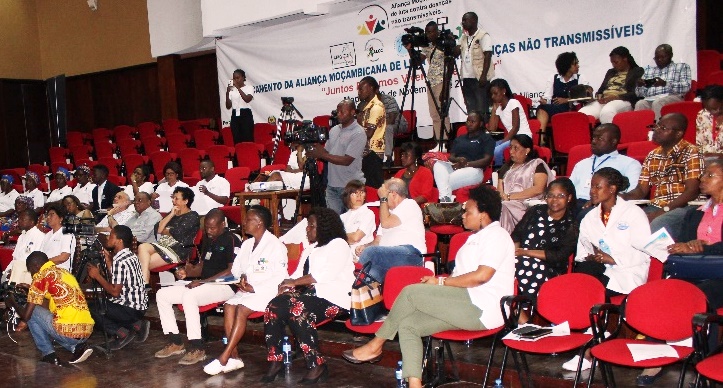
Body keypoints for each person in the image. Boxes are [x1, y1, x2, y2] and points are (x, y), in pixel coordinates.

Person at [342, 185, 515, 388]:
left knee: (409, 293)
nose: (462, 215)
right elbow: (459, 275)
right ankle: (415, 384)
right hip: (463, 303)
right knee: (409, 325)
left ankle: (376, 344)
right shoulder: (473, 239)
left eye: (468, 211)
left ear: (484, 214)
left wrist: (440, 282)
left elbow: (481, 276)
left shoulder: (498, 236)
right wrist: (439, 288)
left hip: (484, 307)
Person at [567, 167, 651, 373]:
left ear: (612, 189)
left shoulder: (633, 213)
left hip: (629, 269)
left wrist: (613, 259)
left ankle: (591, 336)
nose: (592, 191)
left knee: (592, 285)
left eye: (598, 186)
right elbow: (582, 249)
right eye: (592, 186)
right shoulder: (590, 217)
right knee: (585, 271)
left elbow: (644, 251)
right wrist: (592, 255)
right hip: (602, 269)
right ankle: (591, 331)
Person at [261, 207, 354, 384]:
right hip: (310, 295)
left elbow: (325, 276)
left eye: (311, 225)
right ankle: (276, 359)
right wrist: (285, 285)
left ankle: (316, 364)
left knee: (297, 311)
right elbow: (296, 274)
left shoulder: (338, 244)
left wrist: (294, 283)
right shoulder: (310, 249)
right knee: (273, 306)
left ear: (324, 227)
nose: (307, 229)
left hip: (334, 296)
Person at [203, 206, 288, 375]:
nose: (244, 222)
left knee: (241, 310)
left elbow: (280, 277)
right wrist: (242, 277)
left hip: (265, 292)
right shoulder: (247, 244)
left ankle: (224, 357)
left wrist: (254, 287)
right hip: (245, 291)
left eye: (248, 220)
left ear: (259, 223)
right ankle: (235, 358)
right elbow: (236, 270)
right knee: (228, 306)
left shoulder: (276, 246)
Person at [154, 209, 238, 365]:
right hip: (205, 285)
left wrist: (204, 282)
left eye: (213, 228)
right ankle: (176, 342)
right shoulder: (206, 238)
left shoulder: (232, 239)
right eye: (207, 227)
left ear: (223, 224)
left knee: (189, 296)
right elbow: (202, 265)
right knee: (162, 294)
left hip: (225, 286)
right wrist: (187, 272)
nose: (209, 231)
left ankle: (197, 347)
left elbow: (231, 270)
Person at [623, 113, 705, 241]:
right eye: (657, 126)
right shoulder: (652, 155)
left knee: (657, 225)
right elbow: (641, 190)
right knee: (622, 223)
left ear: (678, 134)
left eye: (663, 128)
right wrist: (622, 196)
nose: (657, 130)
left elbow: (692, 191)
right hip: (657, 206)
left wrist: (662, 211)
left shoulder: (691, 152)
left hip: (686, 206)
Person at [4, 251, 94, 366]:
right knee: (48, 318)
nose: (31, 274)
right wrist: (31, 290)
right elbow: (49, 304)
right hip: (86, 330)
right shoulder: (63, 272)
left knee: (31, 310)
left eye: (30, 270)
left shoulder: (40, 277)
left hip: (68, 332)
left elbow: (27, 316)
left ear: (36, 266)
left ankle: (48, 354)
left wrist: (12, 302)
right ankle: (77, 347)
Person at [512, 178, 578, 298]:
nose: (555, 200)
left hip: (550, 267)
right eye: (551, 195)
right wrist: (514, 252)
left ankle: (525, 308)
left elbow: (558, 256)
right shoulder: (536, 211)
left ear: (569, 198)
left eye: (560, 196)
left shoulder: (571, 223)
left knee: (520, 264)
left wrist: (525, 253)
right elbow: (516, 234)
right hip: (520, 258)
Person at [87, 225, 148, 350]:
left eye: (111, 236)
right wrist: (109, 261)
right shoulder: (130, 255)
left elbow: (115, 292)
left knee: (92, 308)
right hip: (139, 306)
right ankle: (137, 324)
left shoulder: (119, 261)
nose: (108, 239)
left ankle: (120, 333)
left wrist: (97, 276)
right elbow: (118, 279)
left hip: (130, 308)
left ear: (119, 241)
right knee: (105, 304)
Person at [356, 178, 426, 282]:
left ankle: (351, 277)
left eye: (384, 194)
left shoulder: (410, 204)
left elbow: (386, 223)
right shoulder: (387, 213)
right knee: (371, 274)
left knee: (371, 253)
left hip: (411, 254)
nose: (381, 198)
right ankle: (360, 295)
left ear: (393, 194)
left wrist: (383, 198)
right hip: (389, 257)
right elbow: (377, 242)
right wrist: (364, 247)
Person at [569, 124, 642, 219]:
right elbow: (568, 188)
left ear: (613, 141)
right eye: (594, 137)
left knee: (585, 215)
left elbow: (632, 192)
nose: (594, 141)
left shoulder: (629, 164)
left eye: (600, 138)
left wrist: (600, 199)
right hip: (575, 203)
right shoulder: (581, 164)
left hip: (603, 204)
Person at [306, 99, 366, 214]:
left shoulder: (358, 133)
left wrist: (322, 154)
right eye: (337, 112)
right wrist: (314, 148)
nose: (339, 115)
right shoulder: (334, 130)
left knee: (353, 222)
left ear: (353, 112)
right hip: (332, 186)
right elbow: (326, 152)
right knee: (334, 223)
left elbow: (347, 160)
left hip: (351, 187)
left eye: (342, 112)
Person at [137, 186, 200, 283]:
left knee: (142, 263)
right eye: (173, 198)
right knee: (142, 247)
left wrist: (167, 230)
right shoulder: (172, 213)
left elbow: (178, 233)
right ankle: (145, 284)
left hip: (178, 249)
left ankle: (144, 284)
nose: (173, 201)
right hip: (162, 245)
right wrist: (171, 215)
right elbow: (158, 229)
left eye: (176, 198)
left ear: (185, 201)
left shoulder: (192, 215)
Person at [497, 134, 554, 233]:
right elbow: (500, 189)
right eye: (510, 147)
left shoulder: (536, 164)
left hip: (528, 205)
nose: (511, 151)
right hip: (506, 202)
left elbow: (538, 189)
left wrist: (510, 197)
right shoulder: (506, 167)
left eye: (516, 148)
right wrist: (502, 196)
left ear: (527, 150)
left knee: (504, 206)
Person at [432, 112, 494, 202]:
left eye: (473, 122)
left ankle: (444, 198)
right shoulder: (460, 139)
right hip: (456, 166)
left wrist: (466, 164)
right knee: (438, 164)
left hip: (474, 170)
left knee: (443, 182)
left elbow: (487, 160)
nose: (469, 124)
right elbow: (451, 157)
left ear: (480, 124)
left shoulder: (486, 138)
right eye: (468, 121)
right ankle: (446, 199)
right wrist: (458, 160)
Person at [406, 21, 450, 141]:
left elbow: (450, 65)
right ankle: (439, 141)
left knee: (442, 113)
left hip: (442, 81)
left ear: (437, 31)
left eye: (431, 32)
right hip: (431, 82)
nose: (429, 34)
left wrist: (445, 88)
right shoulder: (428, 46)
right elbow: (417, 61)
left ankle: (445, 141)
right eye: (427, 32)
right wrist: (410, 50)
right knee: (434, 114)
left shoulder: (444, 44)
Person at [579, 46, 644, 124]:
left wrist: (615, 97)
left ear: (625, 59)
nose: (613, 65)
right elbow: (601, 90)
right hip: (605, 100)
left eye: (616, 62)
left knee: (607, 112)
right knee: (582, 114)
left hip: (623, 100)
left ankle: (610, 135)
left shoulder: (637, 71)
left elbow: (636, 93)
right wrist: (599, 96)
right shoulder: (610, 72)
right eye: (612, 62)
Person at [537, 52, 587, 142]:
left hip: (571, 108)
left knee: (543, 109)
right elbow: (548, 97)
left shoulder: (580, 78)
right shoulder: (553, 78)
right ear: (566, 66)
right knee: (542, 107)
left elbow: (583, 97)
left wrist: (567, 100)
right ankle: (541, 138)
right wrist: (545, 101)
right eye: (575, 64)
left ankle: (541, 140)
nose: (578, 66)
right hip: (555, 108)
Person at [634, 44, 692, 120]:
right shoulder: (649, 70)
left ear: (671, 55)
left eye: (662, 57)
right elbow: (638, 94)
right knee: (640, 103)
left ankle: (657, 130)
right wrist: (640, 86)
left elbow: (686, 87)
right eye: (657, 58)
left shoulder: (681, 67)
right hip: (651, 98)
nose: (659, 60)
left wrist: (665, 84)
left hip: (672, 97)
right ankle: (641, 131)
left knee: (658, 103)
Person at [488, 79, 533, 168]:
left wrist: (503, 142)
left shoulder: (513, 102)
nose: (493, 96)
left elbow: (516, 127)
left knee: (497, 151)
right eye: (492, 94)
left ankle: (500, 170)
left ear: (504, 91)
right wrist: (494, 110)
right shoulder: (499, 108)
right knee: (489, 148)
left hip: (523, 136)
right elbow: (492, 128)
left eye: (495, 93)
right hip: (512, 138)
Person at [457, 11, 493, 120]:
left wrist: (483, 76)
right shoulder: (463, 38)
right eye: (462, 21)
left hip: (479, 78)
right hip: (467, 79)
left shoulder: (483, 35)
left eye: (465, 20)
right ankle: (474, 135)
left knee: (482, 110)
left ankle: (483, 134)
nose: (462, 23)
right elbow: (455, 52)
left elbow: (487, 56)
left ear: (474, 20)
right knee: (471, 110)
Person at [266, 142, 310, 220]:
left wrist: (300, 152)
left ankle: (269, 213)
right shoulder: (293, 153)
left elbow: (302, 166)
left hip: (305, 177)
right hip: (294, 175)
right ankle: (272, 212)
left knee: (276, 176)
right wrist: (295, 171)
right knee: (275, 176)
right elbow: (288, 168)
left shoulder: (309, 151)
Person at [357, 76, 387, 188]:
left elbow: (369, 133)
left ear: (370, 88)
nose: (359, 93)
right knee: (369, 186)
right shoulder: (366, 107)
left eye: (361, 89)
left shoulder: (376, 107)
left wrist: (359, 124)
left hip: (373, 152)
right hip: (367, 152)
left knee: (374, 186)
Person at [340, 180, 377, 258]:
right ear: (348, 196)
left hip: (360, 254)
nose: (359, 196)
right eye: (354, 193)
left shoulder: (368, 213)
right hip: (343, 253)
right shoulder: (342, 217)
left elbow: (356, 238)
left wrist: (341, 236)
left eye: (361, 192)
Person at [8, 209, 45, 285]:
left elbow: (36, 261)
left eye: (23, 219)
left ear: (32, 222)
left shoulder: (40, 236)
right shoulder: (21, 236)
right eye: (19, 219)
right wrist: (10, 269)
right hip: (17, 268)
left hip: (29, 271)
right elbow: (15, 257)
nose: (19, 221)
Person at [40, 204, 76, 272]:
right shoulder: (47, 235)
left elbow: (63, 257)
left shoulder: (67, 234)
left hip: (61, 272)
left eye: (51, 215)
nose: (48, 217)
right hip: (46, 270)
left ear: (61, 218)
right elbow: (41, 254)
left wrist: (44, 263)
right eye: (47, 215)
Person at [225, 68, 254, 144]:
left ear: (243, 78)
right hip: (235, 115)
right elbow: (228, 106)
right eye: (234, 78)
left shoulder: (249, 87)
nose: (235, 80)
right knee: (237, 139)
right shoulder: (232, 90)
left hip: (246, 114)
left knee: (247, 138)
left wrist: (238, 87)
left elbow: (247, 99)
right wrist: (227, 93)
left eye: (237, 78)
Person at [695, 84, 723, 156]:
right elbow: (699, 145)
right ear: (704, 105)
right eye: (713, 109)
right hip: (709, 159)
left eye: (721, 107)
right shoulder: (703, 115)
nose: (718, 111)